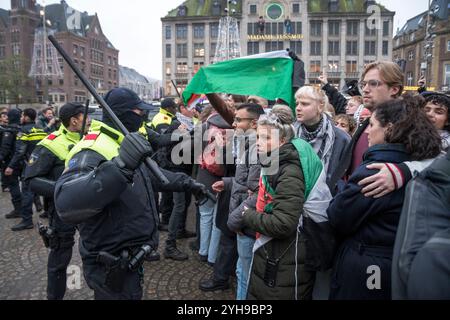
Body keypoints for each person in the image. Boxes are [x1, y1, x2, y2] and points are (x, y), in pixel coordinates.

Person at [54, 87, 209, 300]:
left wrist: (187, 183)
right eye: (139, 112)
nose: (144, 116)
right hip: (109, 260)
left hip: (129, 257)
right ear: (122, 113)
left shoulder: (121, 140)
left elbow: (148, 175)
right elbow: (67, 204)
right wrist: (120, 166)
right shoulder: (92, 148)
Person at [327, 95, 442, 300]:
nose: (368, 132)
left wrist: (343, 189)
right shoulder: (422, 163)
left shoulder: (375, 172)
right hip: (399, 263)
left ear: (389, 128)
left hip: (369, 265)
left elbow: (338, 216)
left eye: (372, 125)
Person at [241, 108, 324, 300]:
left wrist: (248, 215)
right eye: (259, 137)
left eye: (266, 138)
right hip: (279, 254)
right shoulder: (278, 160)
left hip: (285, 256)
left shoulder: (289, 169)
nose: (259, 143)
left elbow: (283, 224)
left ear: (282, 141)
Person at [24, 103, 92, 300]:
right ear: (74, 121)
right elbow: (31, 180)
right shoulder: (50, 144)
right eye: (84, 117)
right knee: (60, 261)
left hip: (90, 210)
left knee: (95, 252)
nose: (88, 120)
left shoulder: (89, 139)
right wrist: (64, 190)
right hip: (62, 212)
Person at [209, 103, 265, 299]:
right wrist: (227, 183)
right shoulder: (246, 143)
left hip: (248, 222)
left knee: (246, 272)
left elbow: (260, 191)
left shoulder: (260, 149)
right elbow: (245, 182)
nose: (233, 124)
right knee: (242, 269)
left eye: (238, 120)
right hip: (243, 219)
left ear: (254, 122)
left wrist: (235, 218)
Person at [294, 86, 351, 188]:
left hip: (328, 197)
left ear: (320, 107)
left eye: (304, 104)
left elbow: (347, 174)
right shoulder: (290, 134)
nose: (298, 108)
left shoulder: (341, 138)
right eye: (297, 103)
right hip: (294, 194)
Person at [9, 108, 48, 231]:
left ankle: (27, 220)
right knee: (45, 190)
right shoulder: (41, 129)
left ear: (26, 117)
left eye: (22, 115)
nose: (21, 118)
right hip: (42, 165)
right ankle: (48, 212)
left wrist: (11, 166)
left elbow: (20, 151)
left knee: (27, 193)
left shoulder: (24, 131)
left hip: (29, 165)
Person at [1, 109, 22, 219]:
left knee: (14, 186)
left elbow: (5, 148)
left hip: (11, 163)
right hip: (22, 161)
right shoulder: (21, 129)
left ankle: (18, 209)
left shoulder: (9, 131)